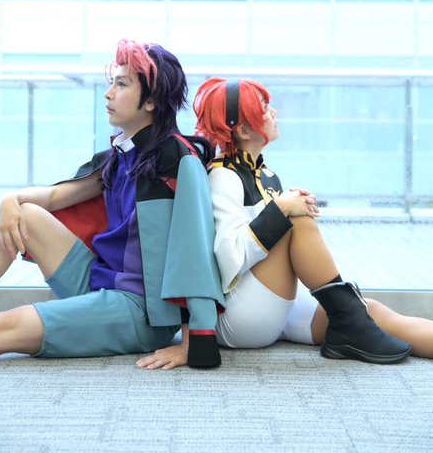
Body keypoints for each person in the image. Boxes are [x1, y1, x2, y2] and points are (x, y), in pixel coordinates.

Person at [138, 77, 433, 370]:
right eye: (264, 108)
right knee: (298, 224)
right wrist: (281, 210)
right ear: (243, 130)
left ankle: (352, 324)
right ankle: (349, 325)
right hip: (235, 316)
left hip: (271, 305)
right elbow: (226, 259)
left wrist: (284, 208)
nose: (274, 112)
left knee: (369, 312)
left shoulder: (266, 174)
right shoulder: (223, 176)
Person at [0, 40, 224, 368]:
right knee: (23, 214)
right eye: (112, 82)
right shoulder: (118, 156)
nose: (108, 93)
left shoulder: (177, 159)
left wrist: (195, 341)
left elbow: (194, 248)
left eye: (121, 84)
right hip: (96, 280)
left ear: (151, 100)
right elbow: (54, 197)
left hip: (139, 309)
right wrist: (9, 200)